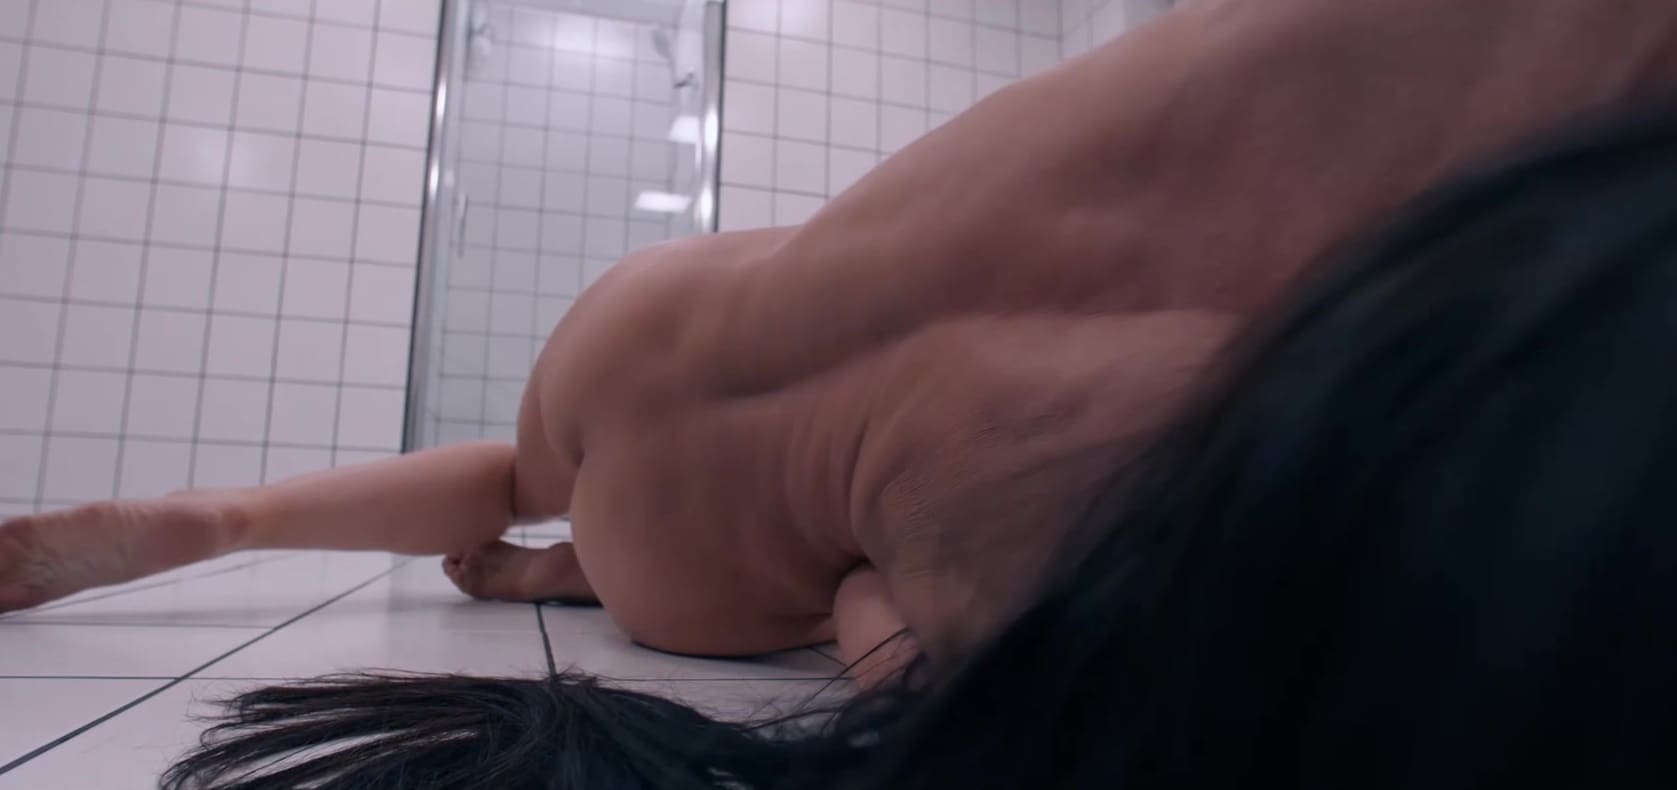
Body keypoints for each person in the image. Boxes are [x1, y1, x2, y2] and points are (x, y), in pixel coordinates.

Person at [1, 0, 1676, 779]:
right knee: (835, 575)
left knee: (536, 467)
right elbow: (893, 647)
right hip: (707, 566)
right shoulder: (1164, 472)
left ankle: (231, 517)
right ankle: (553, 568)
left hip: (648, 318)